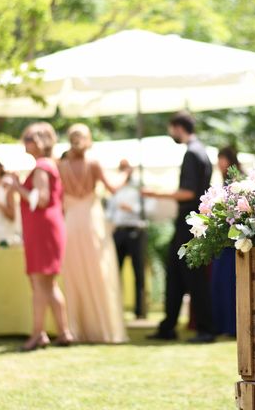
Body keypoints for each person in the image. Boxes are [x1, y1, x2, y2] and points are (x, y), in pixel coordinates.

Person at [143, 111, 214, 343]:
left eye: (170, 128)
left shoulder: (192, 154)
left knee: (193, 278)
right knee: (175, 275)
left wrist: (155, 192)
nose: (169, 133)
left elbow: (189, 193)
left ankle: (205, 329)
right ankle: (168, 326)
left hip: (189, 224)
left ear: (178, 127)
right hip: (189, 223)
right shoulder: (200, 151)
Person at [58, 123, 128, 343]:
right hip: (91, 223)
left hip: (70, 223)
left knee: (74, 276)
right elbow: (114, 187)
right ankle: (103, 329)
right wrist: (125, 172)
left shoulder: (60, 166)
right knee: (99, 275)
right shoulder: (94, 164)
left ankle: (76, 329)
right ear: (88, 141)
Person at [7, 122, 73, 350]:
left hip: (42, 229)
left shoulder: (42, 166)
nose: (24, 143)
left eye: (27, 139)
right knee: (48, 283)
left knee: (39, 282)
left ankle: (38, 334)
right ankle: (63, 332)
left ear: (38, 143)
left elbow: (42, 199)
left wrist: (16, 187)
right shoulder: (47, 165)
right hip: (48, 227)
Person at [106, 159, 147, 319]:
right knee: (116, 271)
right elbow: (110, 211)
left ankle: (140, 310)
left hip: (136, 230)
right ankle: (115, 309)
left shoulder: (139, 186)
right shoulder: (115, 188)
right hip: (119, 231)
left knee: (139, 272)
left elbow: (148, 208)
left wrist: (131, 209)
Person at [211, 146, 241, 337]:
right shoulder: (222, 181)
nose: (219, 163)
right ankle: (222, 325)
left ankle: (232, 325)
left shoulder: (236, 181)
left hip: (232, 243)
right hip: (223, 242)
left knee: (229, 283)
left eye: (221, 159)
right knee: (219, 284)